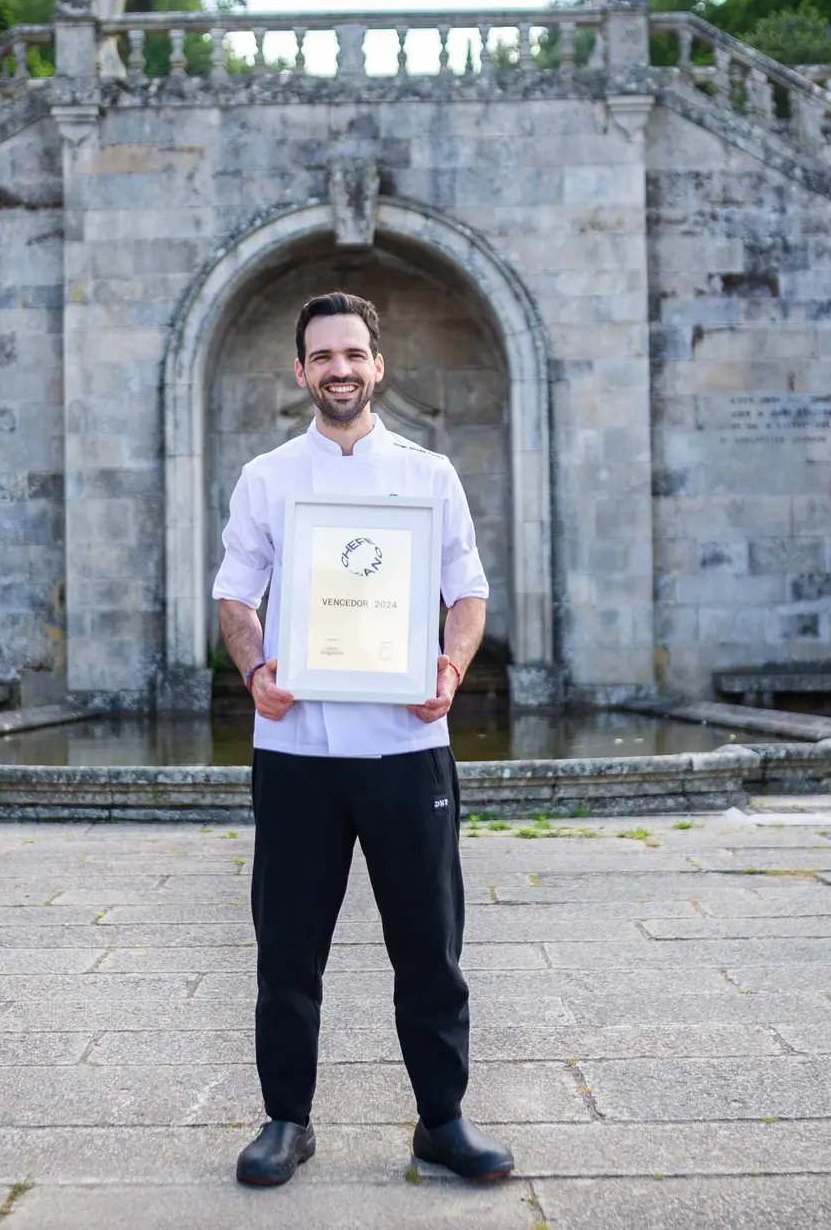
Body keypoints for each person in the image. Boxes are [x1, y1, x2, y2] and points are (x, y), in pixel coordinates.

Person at [212, 291, 513, 1187]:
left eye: (354, 354)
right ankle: (286, 1122)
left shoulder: (429, 476)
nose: (340, 369)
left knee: (429, 945)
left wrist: (451, 671)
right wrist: (256, 671)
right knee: (287, 949)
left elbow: (468, 596)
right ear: (300, 372)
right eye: (322, 357)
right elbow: (236, 597)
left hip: (406, 749)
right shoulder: (267, 478)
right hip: (298, 753)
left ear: (378, 366)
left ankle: (443, 1122)